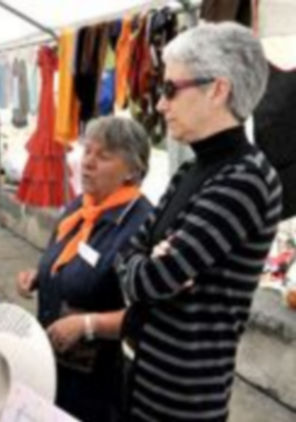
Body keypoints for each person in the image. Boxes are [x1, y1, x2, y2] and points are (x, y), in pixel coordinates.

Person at [115, 22, 282, 421]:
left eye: (170, 89)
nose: (159, 104)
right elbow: (127, 254)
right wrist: (144, 263)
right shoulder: (193, 169)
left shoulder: (246, 179)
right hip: (143, 378)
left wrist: (145, 267)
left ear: (217, 89)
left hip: (183, 399)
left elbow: (149, 280)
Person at [15, 116, 153, 422]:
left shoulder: (141, 224)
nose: (88, 163)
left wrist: (87, 325)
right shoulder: (81, 206)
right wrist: (40, 276)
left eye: (103, 156)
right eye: (87, 151)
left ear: (133, 169)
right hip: (50, 365)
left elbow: (148, 315)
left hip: (95, 385)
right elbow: (63, 258)